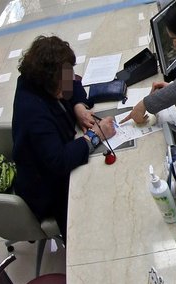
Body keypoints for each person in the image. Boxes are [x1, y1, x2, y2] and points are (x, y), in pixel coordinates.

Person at [12, 35, 116, 238]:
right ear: (46, 81)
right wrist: (96, 135)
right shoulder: (32, 111)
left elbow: (74, 83)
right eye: (61, 86)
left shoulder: (45, 80)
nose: (65, 87)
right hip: (49, 188)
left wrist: (78, 106)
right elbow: (59, 161)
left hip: (62, 151)